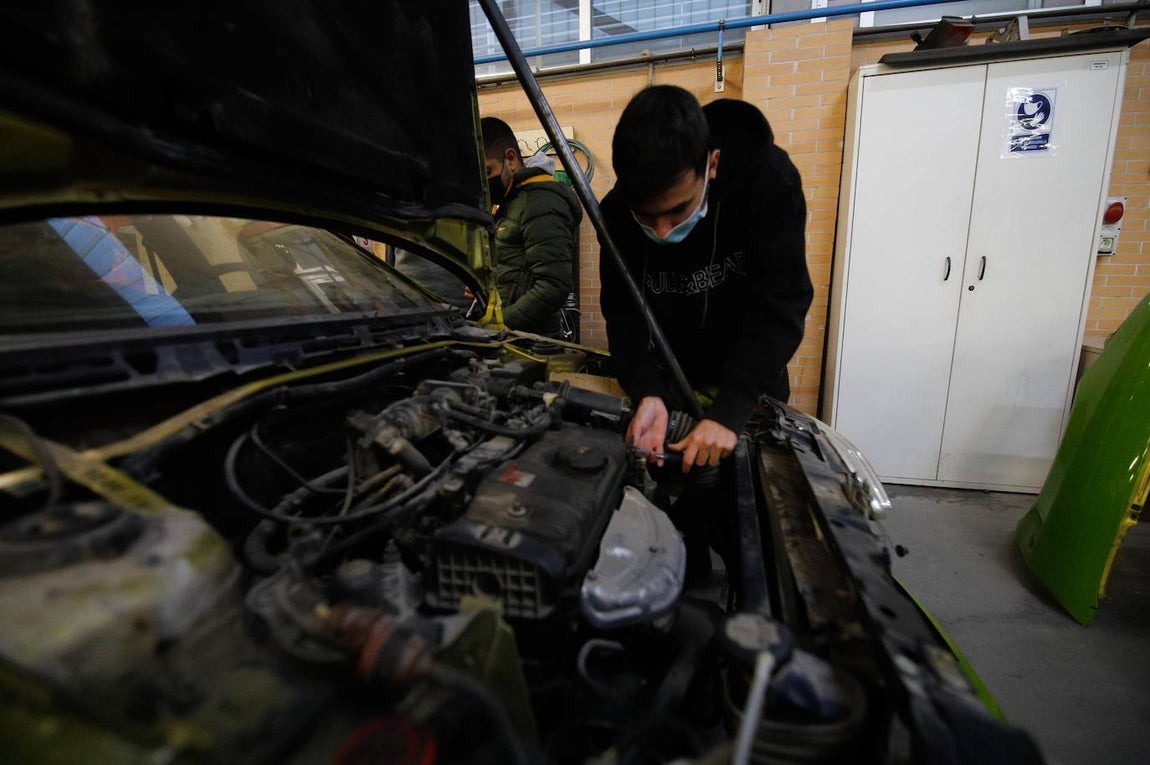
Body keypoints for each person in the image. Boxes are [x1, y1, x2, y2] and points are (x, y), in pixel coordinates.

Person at [598, 86, 813, 581]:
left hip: (747, 377)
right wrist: (647, 391)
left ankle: (741, 582)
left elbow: (782, 303)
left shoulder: (768, 183)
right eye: (646, 216)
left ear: (711, 164)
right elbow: (622, 314)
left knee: (746, 521)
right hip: (670, 378)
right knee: (673, 507)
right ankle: (685, 571)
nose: (661, 231)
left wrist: (732, 409)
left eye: (677, 211)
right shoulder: (614, 212)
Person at [481, 117, 581, 336]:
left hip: (532, 340)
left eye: (488, 172)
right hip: (515, 335)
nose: (485, 183)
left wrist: (501, 324)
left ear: (510, 159)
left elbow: (553, 285)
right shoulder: (513, 201)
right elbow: (514, 269)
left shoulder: (541, 203)